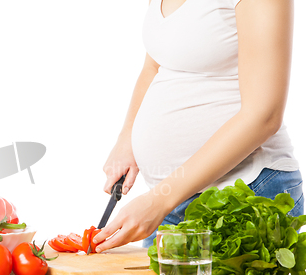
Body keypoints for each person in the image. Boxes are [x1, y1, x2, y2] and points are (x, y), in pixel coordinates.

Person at [92, 0, 303, 252]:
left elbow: (264, 116)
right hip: (169, 201)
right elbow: (155, 65)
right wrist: (127, 138)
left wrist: (159, 199)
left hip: (244, 193)